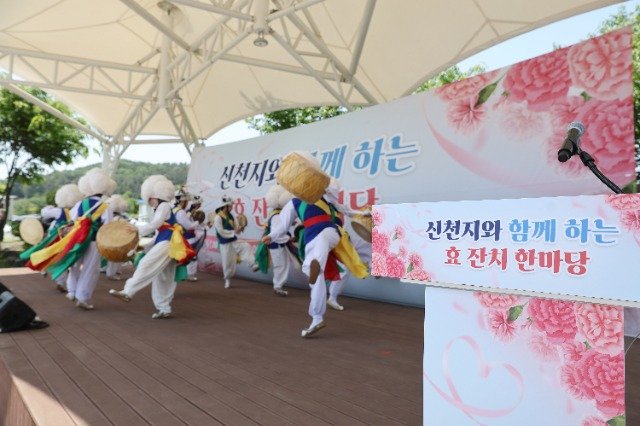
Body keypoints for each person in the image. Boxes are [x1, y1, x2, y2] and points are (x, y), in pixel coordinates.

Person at [263, 151, 368, 338]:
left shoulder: (308, 199)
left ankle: (318, 268)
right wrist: (271, 235)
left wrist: (270, 235)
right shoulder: (315, 199)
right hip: (327, 234)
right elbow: (347, 210)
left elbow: (283, 226)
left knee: (315, 262)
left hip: (322, 234)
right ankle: (317, 318)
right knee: (315, 275)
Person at [109, 175, 194, 319]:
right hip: (169, 243)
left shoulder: (163, 206)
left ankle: (128, 291)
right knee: (164, 277)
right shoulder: (163, 207)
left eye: (149, 199)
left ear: (155, 197)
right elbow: (157, 234)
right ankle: (164, 308)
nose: (149, 202)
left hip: (168, 243)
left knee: (145, 264)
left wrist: (136, 230)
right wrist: (145, 246)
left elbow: (155, 224)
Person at [64, 168, 116, 310]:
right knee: (90, 269)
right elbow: (108, 227)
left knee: (75, 264)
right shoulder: (105, 206)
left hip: (78, 239)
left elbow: (73, 219)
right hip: (94, 240)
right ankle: (82, 297)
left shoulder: (80, 203)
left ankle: (71, 290)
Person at [20, 183, 83, 293]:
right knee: (63, 258)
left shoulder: (58, 211)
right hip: (70, 238)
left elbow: (44, 213)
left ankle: (46, 269)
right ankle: (60, 281)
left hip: (55, 238)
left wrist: (50, 207)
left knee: (48, 253)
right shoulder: (77, 211)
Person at [256, 185, 295, 296]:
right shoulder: (277, 215)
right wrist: (289, 238)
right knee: (280, 266)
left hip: (277, 244)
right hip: (277, 245)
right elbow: (277, 233)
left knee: (282, 265)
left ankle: (278, 286)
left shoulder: (275, 213)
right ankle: (277, 287)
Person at [212, 195, 257, 288]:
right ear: (225, 206)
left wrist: (240, 228)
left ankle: (253, 264)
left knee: (245, 246)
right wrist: (234, 232)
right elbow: (220, 231)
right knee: (227, 262)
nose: (232, 207)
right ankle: (227, 279)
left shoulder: (231, 216)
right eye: (230, 205)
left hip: (233, 240)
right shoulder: (218, 217)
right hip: (225, 243)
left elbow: (236, 228)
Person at [104, 194, 129, 281]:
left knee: (111, 257)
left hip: (110, 238)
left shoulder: (109, 217)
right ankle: (111, 273)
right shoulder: (120, 218)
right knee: (116, 257)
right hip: (117, 240)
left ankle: (111, 271)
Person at [186, 209, 206, 281]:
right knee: (193, 258)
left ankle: (190, 274)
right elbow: (200, 234)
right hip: (192, 241)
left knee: (192, 258)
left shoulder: (191, 221)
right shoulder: (194, 223)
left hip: (189, 241)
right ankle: (190, 275)